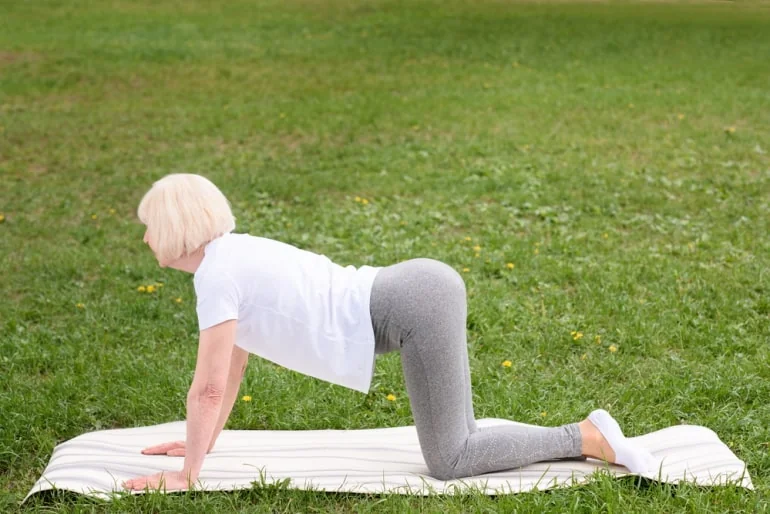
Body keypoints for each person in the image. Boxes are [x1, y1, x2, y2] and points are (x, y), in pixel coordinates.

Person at [123, 174, 658, 491]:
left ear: (173, 231)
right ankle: (585, 435)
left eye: (149, 225)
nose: (146, 236)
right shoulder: (232, 257)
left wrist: (188, 475)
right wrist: (202, 447)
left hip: (411, 304)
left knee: (450, 459)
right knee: (461, 437)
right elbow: (233, 370)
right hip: (418, 290)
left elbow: (209, 386)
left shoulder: (217, 275)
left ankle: (586, 436)